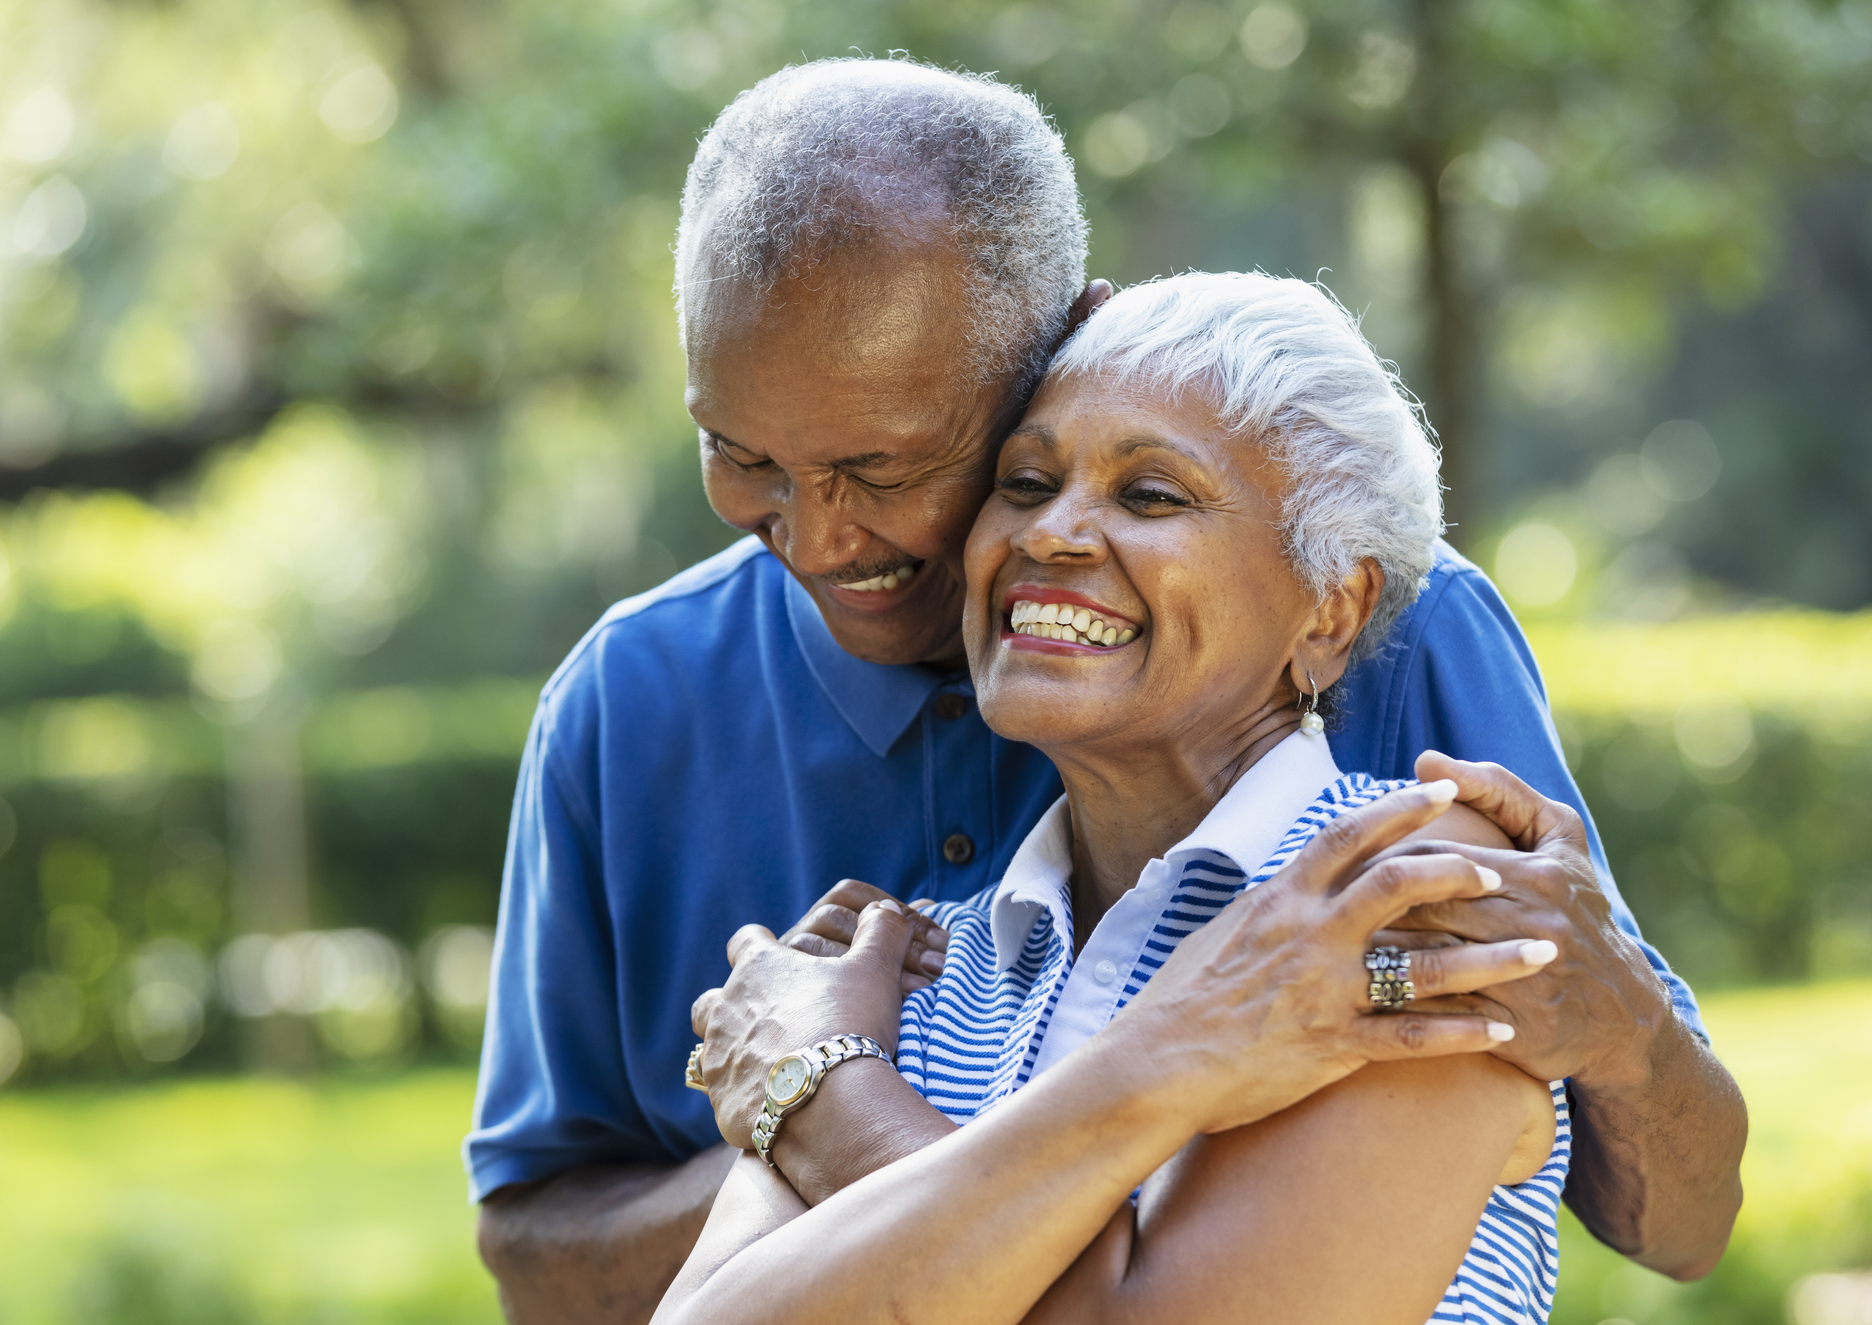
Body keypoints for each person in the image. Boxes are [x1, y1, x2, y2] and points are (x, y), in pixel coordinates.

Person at [467, 58, 1746, 1325]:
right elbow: (583, 1272)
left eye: (884, 464)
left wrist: (819, 1097)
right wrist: (910, 1092)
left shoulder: (1391, 856)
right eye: (741, 456)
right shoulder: (884, 948)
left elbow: (1676, 1214)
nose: (814, 537)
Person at [660, 271, 1571, 1325]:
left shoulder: (1410, 891)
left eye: (1150, 496)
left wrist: (827, 1091)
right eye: (1026, 482)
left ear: (1329, 607)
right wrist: (1175, 1063)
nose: (1051, 535)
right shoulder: (905, 962)